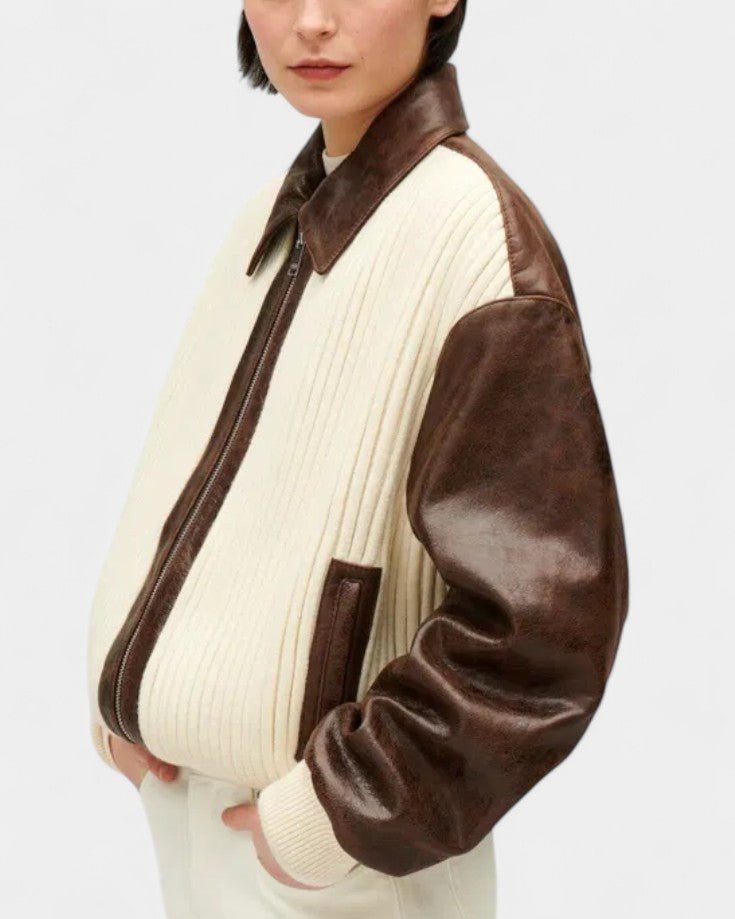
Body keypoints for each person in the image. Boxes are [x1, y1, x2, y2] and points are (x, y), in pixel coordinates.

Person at [86, 2, 629, 917]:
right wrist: (125, 705)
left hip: (343, 873)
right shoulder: (272, 219)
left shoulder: (473, 238)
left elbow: (539, 632)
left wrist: (335, 816)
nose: (312, 21)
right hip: (201, 824)